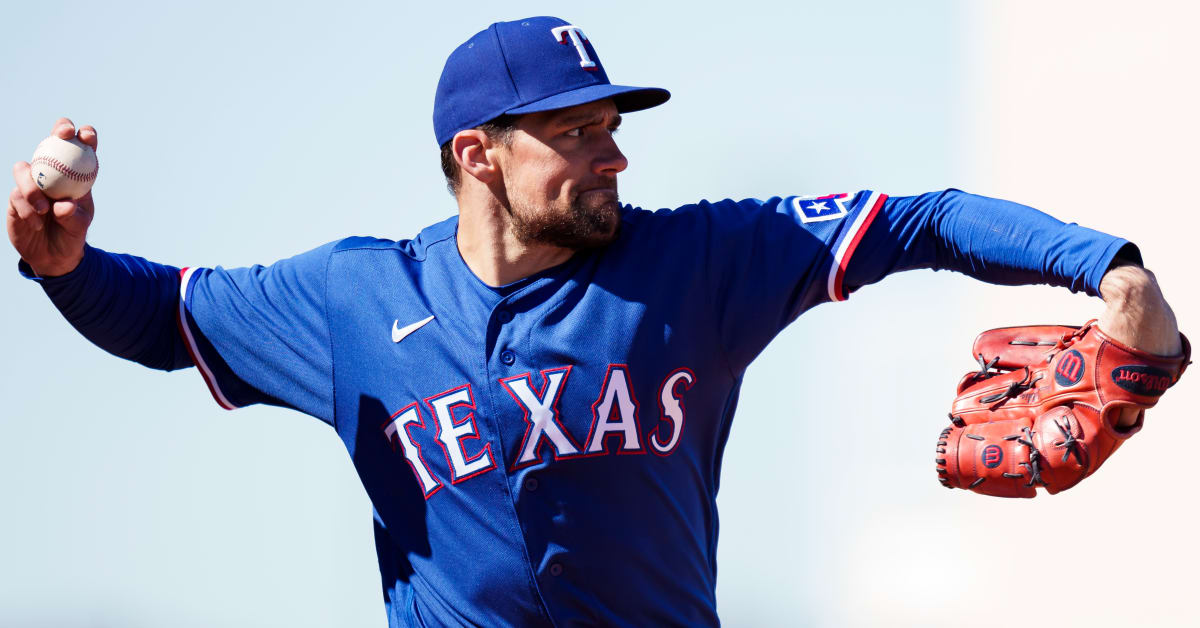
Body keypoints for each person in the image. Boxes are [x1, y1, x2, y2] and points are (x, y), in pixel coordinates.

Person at [6, 15, 1183, 627]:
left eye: (611, 125)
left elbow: (917, 217)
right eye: (573, 132)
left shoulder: (701, 258)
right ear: (478, 155)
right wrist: (66, 265)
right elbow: (163, 314)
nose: (613, 151)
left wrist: (1109, 268)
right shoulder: (351, 297)